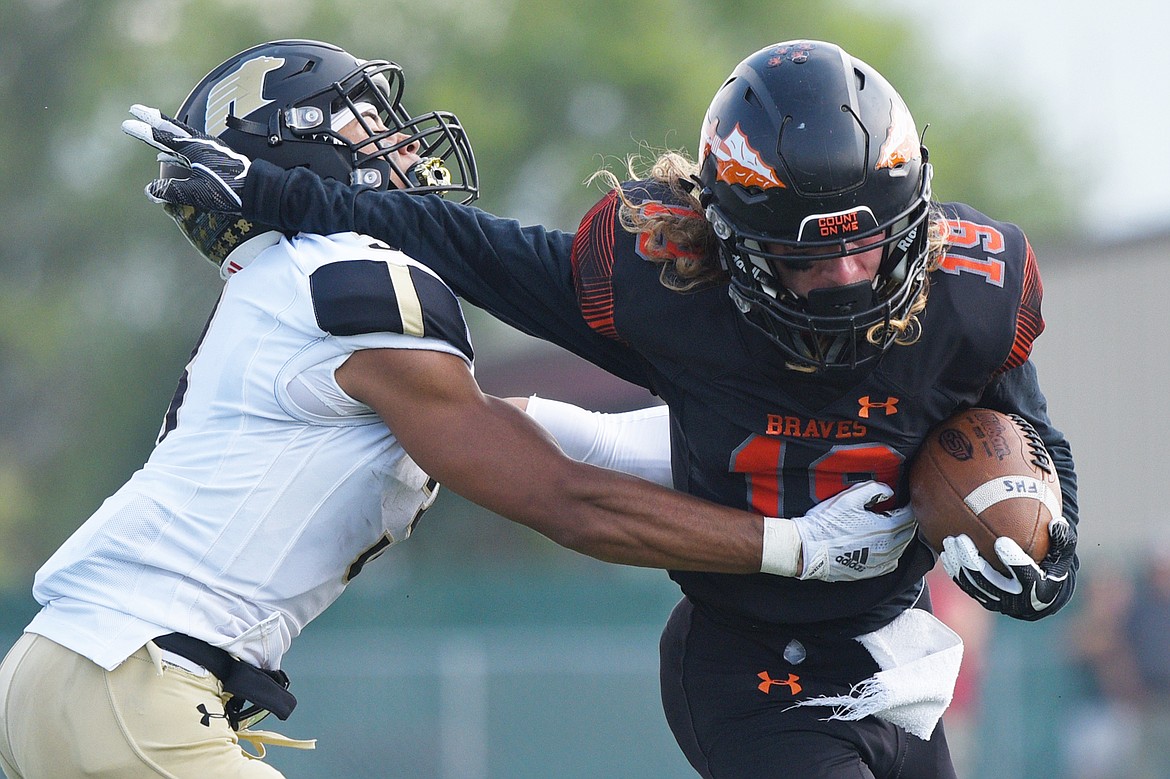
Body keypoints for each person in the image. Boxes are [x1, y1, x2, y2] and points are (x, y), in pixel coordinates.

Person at [122, 38, 1081, 778]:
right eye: (807, 253)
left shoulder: (972, 294)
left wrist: (1051, 550)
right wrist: (273, 189)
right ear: (734, 237)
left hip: (892, 648)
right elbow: (462, 240)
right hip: (751, 665)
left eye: (870, 243)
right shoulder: (665, 285)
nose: (847, 273)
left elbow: (1036, 444)